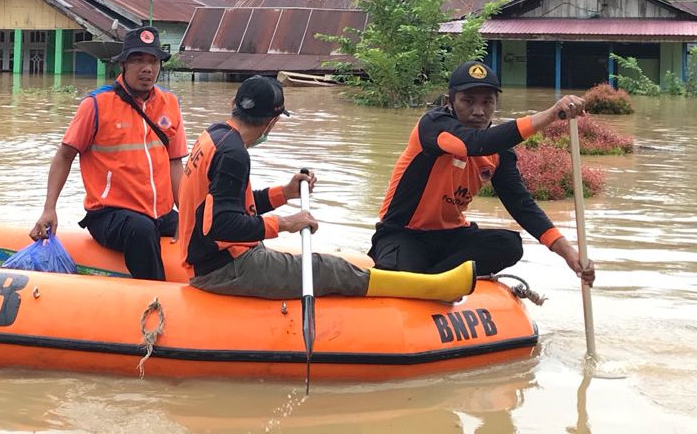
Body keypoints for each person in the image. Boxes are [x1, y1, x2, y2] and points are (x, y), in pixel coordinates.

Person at [179, 75, 475, 301]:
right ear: (271, 121)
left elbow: (231, 205)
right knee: (329, 268)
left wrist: (285, 192)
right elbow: (222, 225)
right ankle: (433, 289)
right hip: (224, 269)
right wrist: (286, 223)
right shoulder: (234, 154)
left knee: (331, 263)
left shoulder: (215, 135)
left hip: (210, 260)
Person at [368, 61, 595, 286]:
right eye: (468, 101)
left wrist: (568, 253)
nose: (478, 111)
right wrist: (551, 114)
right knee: (399, 276)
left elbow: (521, 204)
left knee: (509, 245)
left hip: (452, 237)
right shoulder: (433, 126)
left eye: (487, 102)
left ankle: (434, 281)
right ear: (449, 102)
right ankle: (425, 281)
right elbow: (472, 144)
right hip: (404, 233)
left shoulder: (499, 151)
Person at [30, 26, 187, 280]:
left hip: (160, 213)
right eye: (138, 60)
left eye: (153, 61)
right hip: (109, 215)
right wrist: (49, 209)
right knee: (142, 230)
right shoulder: (96, 104)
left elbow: (175, 165)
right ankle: (156, 300)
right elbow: (64, 156)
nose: (147, 68)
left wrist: (187, 215)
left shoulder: (169, 103)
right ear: (123, 65)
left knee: (204, 226)